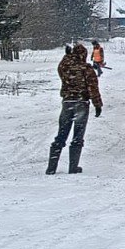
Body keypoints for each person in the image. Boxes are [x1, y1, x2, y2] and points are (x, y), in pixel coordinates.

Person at [47, 44, 103, 175]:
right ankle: (73, 167)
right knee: (78, 135)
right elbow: (93, 88)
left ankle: (51, 167)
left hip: (67, 103)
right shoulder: (86, 68)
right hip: (81, 103)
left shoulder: (65, 66)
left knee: (61, 134)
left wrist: (67, 56)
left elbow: (60, 69)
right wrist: (97, 104)